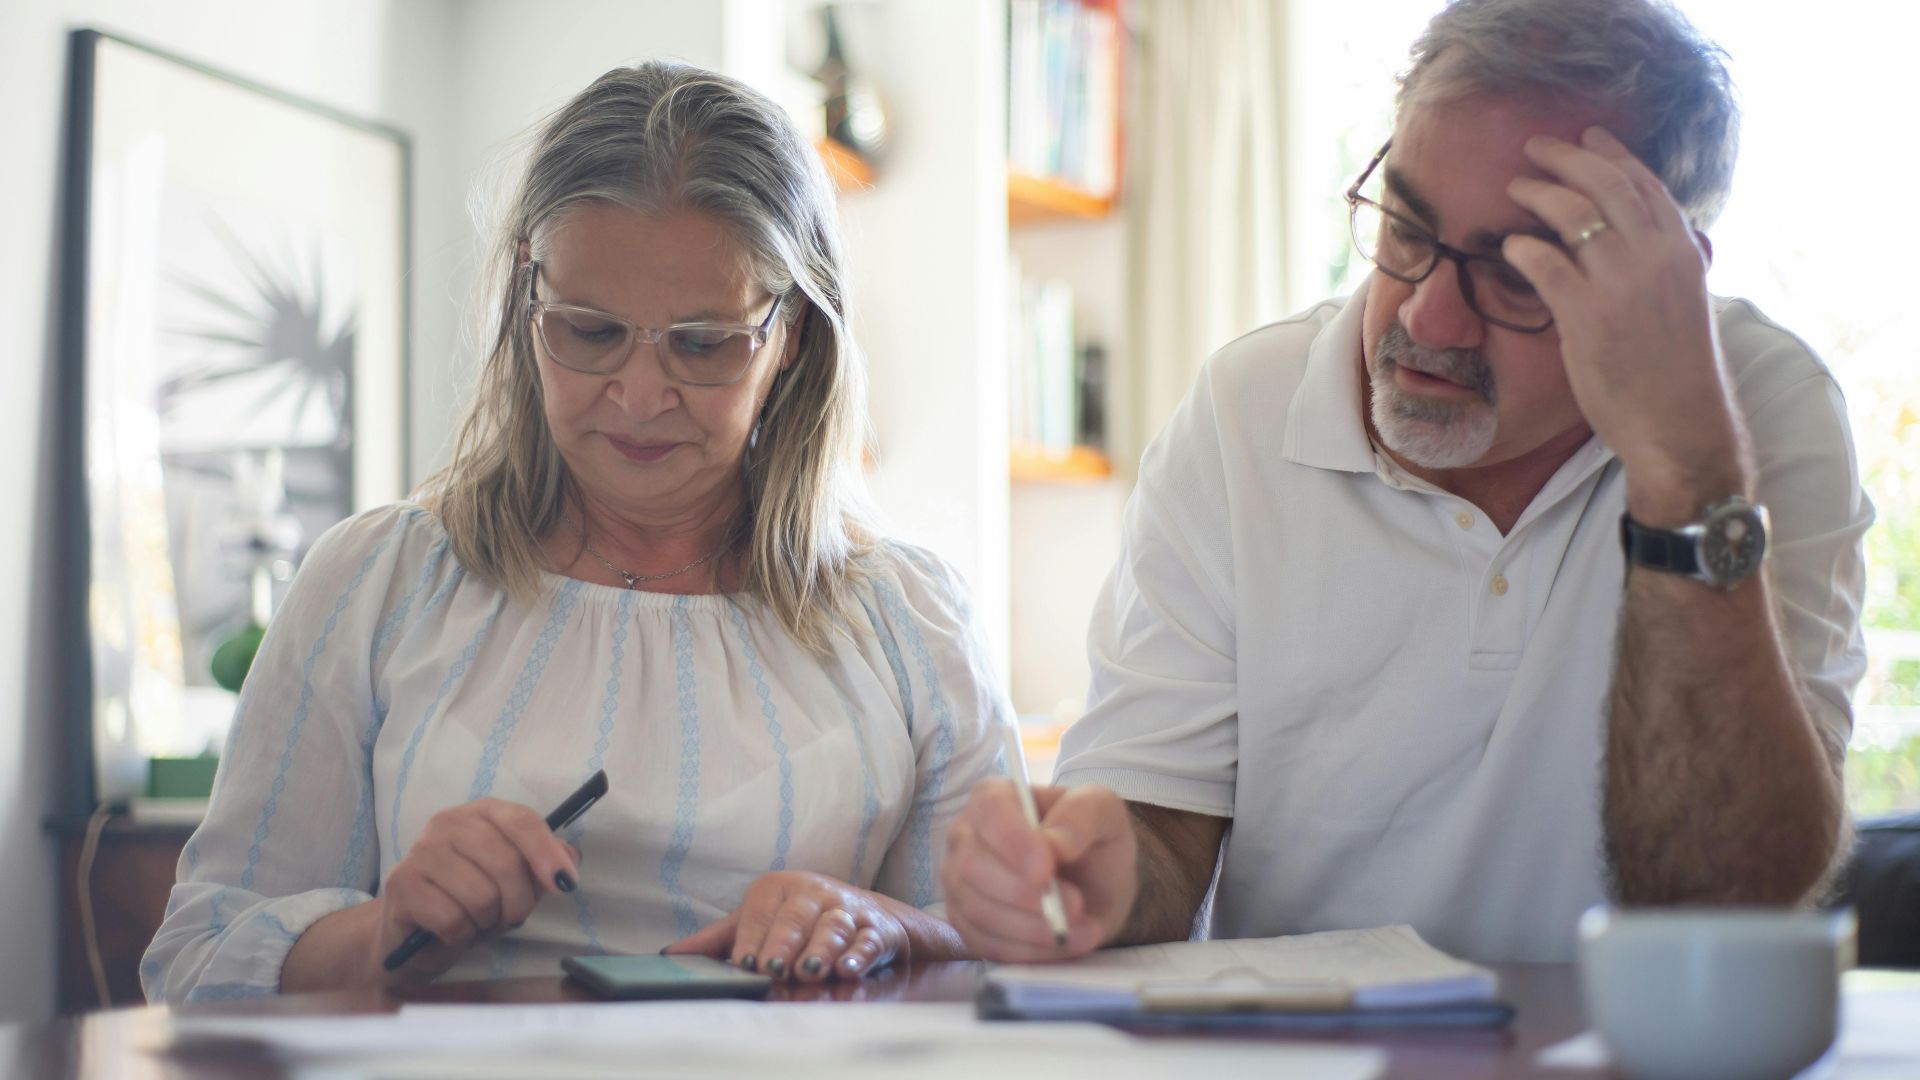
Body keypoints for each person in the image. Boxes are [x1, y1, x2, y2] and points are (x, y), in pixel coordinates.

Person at [942, 0, 1870, 964]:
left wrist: (1684, 467)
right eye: (1404, 229)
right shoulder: (1246, 410)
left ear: (1661, 281)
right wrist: (1096, 881)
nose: (1427, 319)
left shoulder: (1757, 413)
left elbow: (1725, 894)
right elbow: (1159, 830)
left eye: (1516, 273)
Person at [143, 62, 1008, 1002]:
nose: (639, 397)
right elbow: (195, 960)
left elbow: (1010, 965)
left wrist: (891, 927)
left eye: (703, 343)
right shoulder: (375, 583)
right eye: (590, 332)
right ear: (527, 299)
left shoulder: (911, 622)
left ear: (790, 333)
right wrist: (389, 931)